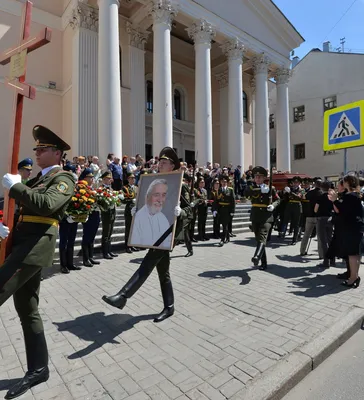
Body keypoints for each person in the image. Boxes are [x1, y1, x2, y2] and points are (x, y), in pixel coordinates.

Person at [0, 125, 75, 399]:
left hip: (34, 248)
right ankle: (39, 369)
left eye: (43, 149)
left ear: (57, 153)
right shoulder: (36, 180)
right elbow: (22, 207)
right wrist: (4, 224)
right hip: (21, 243)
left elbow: (45, 206)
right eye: (37, 149)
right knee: (27, 308)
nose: (38, 152)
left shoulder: (64, 178)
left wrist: (16, 187)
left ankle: (38, 368)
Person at [102, 147, 191, 323]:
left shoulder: (178, 184)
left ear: (172, 166)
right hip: (154, 231)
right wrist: (138, 211)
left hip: (168, 232)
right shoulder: (153, 181)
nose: (160, 164)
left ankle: (123, 295)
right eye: (160, 162)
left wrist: (181, 212)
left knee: (147, 263)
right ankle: (169, 307)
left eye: (164, 163)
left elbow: (189, 209)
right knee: (163, 273)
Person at [328, 175, 364, 288]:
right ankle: (354, 277)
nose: (342, 183)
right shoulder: (353, 195)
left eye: (343, 181)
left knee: (353, 255)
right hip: (354, 227)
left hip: (352, 228)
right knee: (354, 255)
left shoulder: (351, 196)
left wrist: (335, 201)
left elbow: (342, 211)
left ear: (348, 182)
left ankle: (353, 278)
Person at [244, 166, 280, 270]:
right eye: (256, 177)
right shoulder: (250, 187)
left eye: (260, 177)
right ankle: (264, 263)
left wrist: (273, 205)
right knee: (259, 239)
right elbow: (246, 194)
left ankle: (256, 257)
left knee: (263, 237)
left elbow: (278, 200)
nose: (258, 179)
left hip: (266, 217)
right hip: (255, 216)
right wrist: (259, 190)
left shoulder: (270, 188)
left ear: (264, 178)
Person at [130, 178, 172, 249]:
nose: (160, 200)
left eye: (163, 195)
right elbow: (136, 241)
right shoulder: (138, 217)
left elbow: (168, 241)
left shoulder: (163, 218)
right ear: (147, 197)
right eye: (156, 195)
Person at [80, 168, 101, 267]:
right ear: (85, 178)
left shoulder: (92, 188)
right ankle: (85, 259)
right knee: (87, 236)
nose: (92, 179)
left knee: (92, 236)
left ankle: (91, 257)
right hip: (88, 214)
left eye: (92, 177)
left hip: (96, 213)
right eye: (90, 177)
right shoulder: (82, 188)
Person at [314, 180, 334, 267]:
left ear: (322, 188)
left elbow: (315, 209)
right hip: (330, 218)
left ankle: (326, 262)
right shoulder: (332, 197)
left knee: (323, 241)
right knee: (330, 240)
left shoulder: (320, 197)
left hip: (321, 219)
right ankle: (333, 260)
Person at [300, 178, 322, 256]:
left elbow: (304, 197)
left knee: (306, 234)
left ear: (314, 185)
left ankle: (302, 251)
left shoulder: (311, 192)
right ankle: (321, 254)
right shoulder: (322, 193)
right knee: (320, 236)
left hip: (310, 215)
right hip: (319, 216)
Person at [99, 170, 118, 259]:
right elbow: (100, 202)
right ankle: (105, 252)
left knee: (110, 232)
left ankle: (109, 250)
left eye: (110, 178)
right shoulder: (101, 188)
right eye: (107, 178)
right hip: (106, 213)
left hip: (112, 212)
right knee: (106, 233)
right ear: (103, 179)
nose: (109, 180)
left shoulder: (111, 188)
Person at [280, 176, 303, 245]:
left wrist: (290, 192)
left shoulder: (301, 190)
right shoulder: (290, 188)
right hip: (289, 206)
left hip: (297, 206)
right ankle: (282, 232)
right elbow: (285, 199)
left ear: (299, 183)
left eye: (297, 182)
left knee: (296, 224)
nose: (295, 184)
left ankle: (294, 239)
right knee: (285, 220)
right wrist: (284, 192)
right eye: (294, 182)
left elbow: (298, 197)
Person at [217, 176, 235, 247]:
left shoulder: (230, 190)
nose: (224, 183)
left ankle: (222, 239)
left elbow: (233, 201)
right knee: (224, 225)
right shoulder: (219, 190)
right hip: (221, 209)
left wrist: (232, 210)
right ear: (221, 182)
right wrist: (215, 210)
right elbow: (216, 201)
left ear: (227, 182)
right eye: (222, 182)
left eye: (225, 182)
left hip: (227, 210)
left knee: (225, 225)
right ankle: (227, 236)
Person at [123, 173, 138, 253]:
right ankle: (127, 246)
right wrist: (131, 200)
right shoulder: (125, 188)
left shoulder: (136, 188)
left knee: (134, 229)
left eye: (134, 178)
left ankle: (133, 245)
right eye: (131, 178)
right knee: (128, 229)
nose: (133, 179)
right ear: (128, 179)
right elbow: (123, 199)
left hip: (136, 210)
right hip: (129, 210)